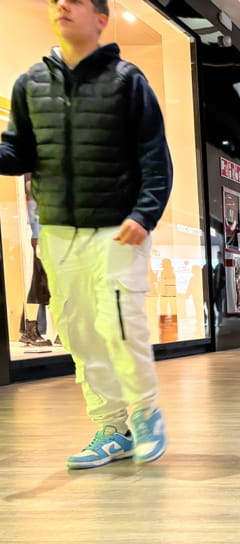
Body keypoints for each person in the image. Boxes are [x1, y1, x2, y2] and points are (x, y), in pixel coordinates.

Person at [0, 0, 173, 469]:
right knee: (79, 332)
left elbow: (156, 158)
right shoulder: (30, 83)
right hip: (58, 230)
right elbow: (18, 153)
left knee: (119, 324)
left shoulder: (127, 81)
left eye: (75, 0)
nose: (61, 5)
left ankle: (145, 414)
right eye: (56, 0)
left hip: (119, 227)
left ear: (100, 19)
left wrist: (145, 215)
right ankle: (112, 428)